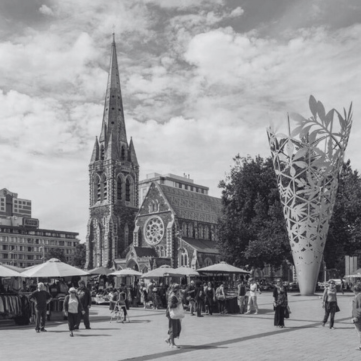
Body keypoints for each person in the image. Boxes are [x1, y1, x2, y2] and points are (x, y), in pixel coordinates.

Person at [165, 284, 182, 349]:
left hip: (173, 314)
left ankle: (169, 340)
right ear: (176, 290)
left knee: (176, 327)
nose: (179, 291)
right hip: (172, 314)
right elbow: (171, 306)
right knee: (172, 328)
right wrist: (178, 303)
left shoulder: (173, 295)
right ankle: (172, 343)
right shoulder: (172, 296)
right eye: (178, 289)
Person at [351, 283, 361, 351]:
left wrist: (356, 317)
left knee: (359, 332)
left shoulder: (358, 296)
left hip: (358, 317)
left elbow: (359, 308)